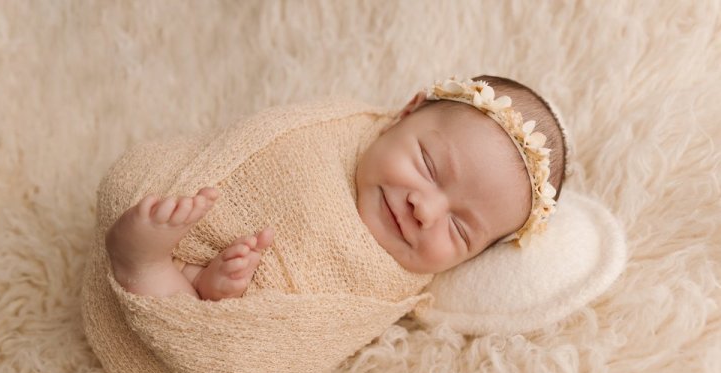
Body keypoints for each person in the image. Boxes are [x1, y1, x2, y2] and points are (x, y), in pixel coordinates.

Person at [104, 75, 569, 301]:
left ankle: (147, 266)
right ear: (406, 113)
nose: (425, 209)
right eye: (428, 165)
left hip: (215, 324)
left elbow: (302, 341)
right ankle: (153, 259)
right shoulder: (333, 132)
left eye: (460, 229)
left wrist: (225, 291)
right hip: (199, 217)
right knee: (153, 196)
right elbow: (258, 152)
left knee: (220, 334)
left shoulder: (396, 289)